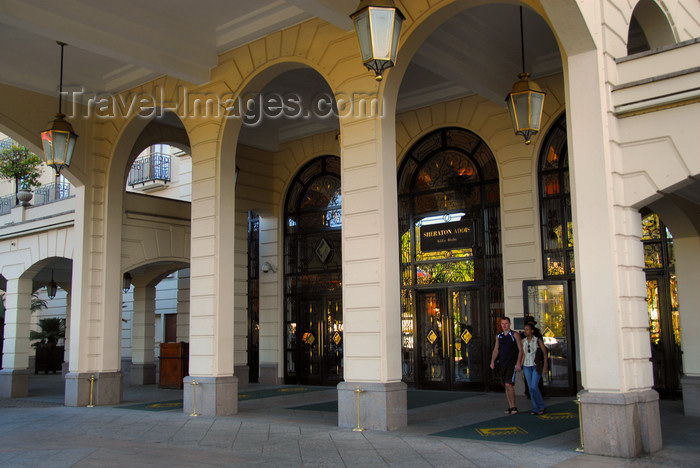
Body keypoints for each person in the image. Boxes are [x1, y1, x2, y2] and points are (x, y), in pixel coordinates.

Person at [490, 316, 523, 414]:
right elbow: (496, 349)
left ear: (509, 324)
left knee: (509, 384)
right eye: (503, 324)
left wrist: (518, 362)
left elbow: (520, 349)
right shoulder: (499, 336)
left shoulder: (515, 335)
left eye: (506, 323)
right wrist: (492, 360)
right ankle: (510, 405)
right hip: (502, 362)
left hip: (511, 363)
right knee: (506, 385)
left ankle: (514, 406)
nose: (504, 325)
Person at [522, 322, 548, 415]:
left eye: (527, 329)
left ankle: (541, 405)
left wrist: (545, 366)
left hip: (535, 366)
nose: (526, 331)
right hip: (526, 366)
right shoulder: (523, 341)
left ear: (532, 331)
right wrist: (521, 365)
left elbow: (544, 353)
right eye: (525, 329)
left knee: (534, 386)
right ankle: (536, 407)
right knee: (530, 388)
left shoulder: (537, 340)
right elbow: (523, 354)